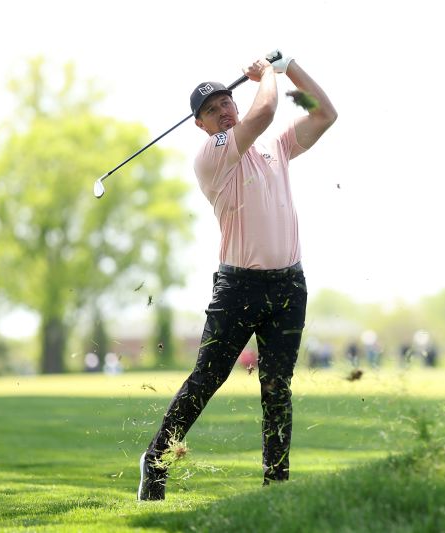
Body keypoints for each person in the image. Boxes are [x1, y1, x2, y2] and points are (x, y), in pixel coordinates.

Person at [137, 52, 337, 501]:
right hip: (239, 288)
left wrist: (291, 69)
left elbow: (325, 113)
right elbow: (264, 110)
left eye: (228, 101)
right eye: (212, 109)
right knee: (207, 378)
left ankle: (276, 487)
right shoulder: (213, 155)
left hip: (289, 284)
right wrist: (266, 75)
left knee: (277, 389)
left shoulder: (275, 147)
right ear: (201, 125)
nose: (224, 110)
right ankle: (156, 460)